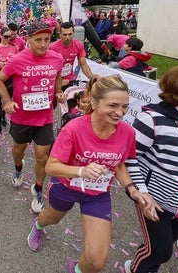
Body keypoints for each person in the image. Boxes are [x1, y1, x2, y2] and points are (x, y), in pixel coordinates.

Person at [26, 76, 153, 273]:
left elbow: (119, 164)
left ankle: (76, 269)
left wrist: (132, 189)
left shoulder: (127, 132)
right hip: (66, 188)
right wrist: (81, 171)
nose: (120, 112)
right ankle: (38, 226)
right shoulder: (73, 128)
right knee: (51, 218)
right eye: (113, 105)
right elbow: (51, 166)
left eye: (125, 106)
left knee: (96, 261)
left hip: (97, 195)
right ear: (94, 102)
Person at [124, 65, 178, 273]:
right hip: (157, 200)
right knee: (160, 252)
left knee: (165, 244)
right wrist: (141, 192)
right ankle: (134, 268)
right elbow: (130, 157)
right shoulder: (153, 119)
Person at [0, 21, 65, 213]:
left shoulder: (57, 58)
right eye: (38, 40)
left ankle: (39, 189)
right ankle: (18, 167)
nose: (43, 44)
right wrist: (7, 101)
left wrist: (58, 92)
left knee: (42, 157)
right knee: (19, 150)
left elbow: (58, 75)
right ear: (28, 40)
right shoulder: (17, 59)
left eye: (47, 40)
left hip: (44, 117)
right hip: (22, 118)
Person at [49, 21, 93, 90]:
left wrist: (92, 79)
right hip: (56, 81)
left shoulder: (78, 45)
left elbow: (83, 65)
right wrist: (57, 82)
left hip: (70, 80)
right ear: (60, 34)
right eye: (64, 35)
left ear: (74, 33)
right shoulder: (52, 47)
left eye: (70, 34)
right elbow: (49, 68)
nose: (67, 37)